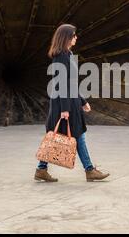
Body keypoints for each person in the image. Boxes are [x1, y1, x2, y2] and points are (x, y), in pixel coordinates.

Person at [34, 24, 110, 182]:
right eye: (74, 35)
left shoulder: (68, 54)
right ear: (66, 37)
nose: (76, 37)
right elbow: (61, 83)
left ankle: (41, 169)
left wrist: (82, 100)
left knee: (62, 136)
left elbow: (71, 83)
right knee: (75, 135)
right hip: (64, 103)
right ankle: (89, 170)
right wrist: (65, 109)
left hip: (70, 101)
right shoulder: (61, 56)